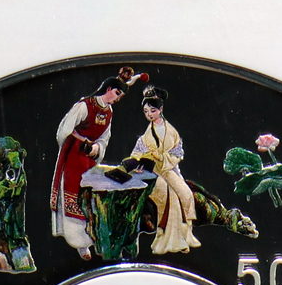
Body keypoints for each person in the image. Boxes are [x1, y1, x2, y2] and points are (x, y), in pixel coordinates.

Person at [50, 77, 126, 260]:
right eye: (117, 93)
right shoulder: (84, 106)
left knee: (89, 198)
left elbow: (104, 138)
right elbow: (64, 130)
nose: (117, 98)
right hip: (73, 156)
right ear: (108, 88)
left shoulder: (109, 113)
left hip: (89, 158)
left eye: (121, 96)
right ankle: (78, 243)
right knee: (73, 193)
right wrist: (71, 146)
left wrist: (97, 148)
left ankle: (91, 239)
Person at [127, 86, 201, 255]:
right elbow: (137, 152)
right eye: (146, 112)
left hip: (169, 169)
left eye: (152, 111)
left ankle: (187, 233)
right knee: (168, 194)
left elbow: (177, 153)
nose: (149, 115)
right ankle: (163, 234)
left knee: (186, 194)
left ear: (160, 109)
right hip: (154, 170)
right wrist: (138, 162)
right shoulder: (148, 133)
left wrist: (161, 157)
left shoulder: (172, 131)